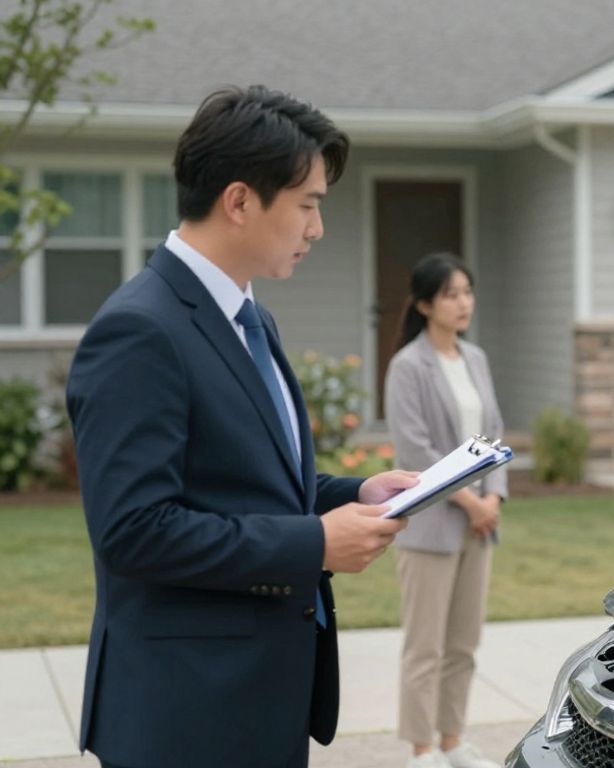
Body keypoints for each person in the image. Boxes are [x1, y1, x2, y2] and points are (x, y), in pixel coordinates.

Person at [65, 85, 415, 768]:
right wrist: (312, 543)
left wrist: (356, 495)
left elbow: (254, 481)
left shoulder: (252, 318)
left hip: (261, 700)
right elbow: (134, 530)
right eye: (308, 204)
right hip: (186, 716)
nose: (317, 228)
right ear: (239, 201)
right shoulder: (140, 329)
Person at [385, 253, 508, 768]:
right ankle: (421, 750)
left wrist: (493, 498)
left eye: (467, 292)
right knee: (425, 647)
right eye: (452, 294)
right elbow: (415, 451)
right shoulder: (407, 366)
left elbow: (494, 435)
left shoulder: (475, 358)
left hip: (479, 525)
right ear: (424, 304)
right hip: (431, 524)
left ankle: (453, 741)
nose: (464, 303)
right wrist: (471, 500)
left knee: (463, 643)